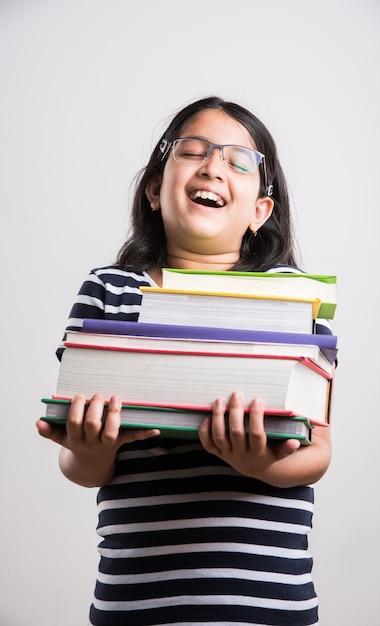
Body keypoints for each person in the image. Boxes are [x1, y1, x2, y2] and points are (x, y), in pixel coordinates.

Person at [36, 95, 333, 626]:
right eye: (193, 151)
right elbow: (80, 466)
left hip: (266, 601)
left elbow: (319, 453)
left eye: (239, 162)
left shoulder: (293, 299)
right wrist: (88, 449)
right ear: (155, 189)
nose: (213, 167)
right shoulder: (109, 290)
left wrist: (258, 462)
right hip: (135, 601)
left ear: (259, 212)